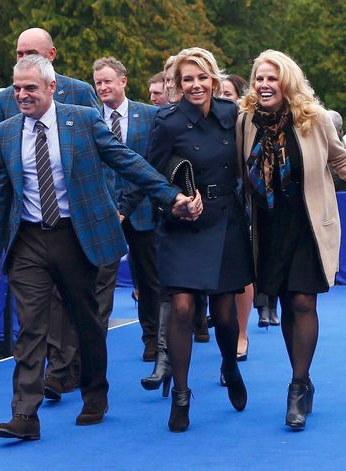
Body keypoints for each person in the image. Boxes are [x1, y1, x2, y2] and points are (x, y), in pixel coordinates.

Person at [0, 55, 199, 440]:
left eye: (30, 87)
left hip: (77, 235)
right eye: (17, 88)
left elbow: (126, 161)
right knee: (31, 327)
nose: (22, 95)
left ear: (51, 87)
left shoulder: (81, 120)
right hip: (29, 239)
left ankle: (95, 395)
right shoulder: (5, 133)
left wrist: (171, 196)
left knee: (87, 321)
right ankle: (25, 415)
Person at [237, 49, 346, 430]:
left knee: (302, 299)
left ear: (288, 82)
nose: (264, 85)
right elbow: (234, 164)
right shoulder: (245, 120)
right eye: (259, 78)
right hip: (267, 226)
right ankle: (303, 376)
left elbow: (341, 159)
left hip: (307, 223)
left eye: (272, 78)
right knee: (284, 299)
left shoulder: (315, 119)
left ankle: (296, 386)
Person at [127, 47, 253, 432]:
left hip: (226, 221)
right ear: (177, 85)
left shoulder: (234, 116)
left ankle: (229, 366)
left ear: (213, 79)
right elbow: (153, 174)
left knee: (226, 313)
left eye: (201, 77)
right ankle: (181, 394)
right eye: (187, 79)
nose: (195, 85)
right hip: (182, 225)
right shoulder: (166, 122)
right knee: (181, 308)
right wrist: (175, 203)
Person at [0, 27, 106, 401]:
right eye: (18, 52)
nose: (21, 58)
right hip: (29, 231)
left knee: (76, 309)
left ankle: (76, 375)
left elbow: (103, 159)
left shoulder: (80, 96)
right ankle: (28, 407)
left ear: (51, 56)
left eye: (30, 52)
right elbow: (0, 175)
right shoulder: (10, 100)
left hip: (75, 226)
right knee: (35, 317)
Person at [93, 57, 162, 364]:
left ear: (123, 81)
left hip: (145, 209)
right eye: (98, 83)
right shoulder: (88, 118)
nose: (103, 87)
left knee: (149, 279)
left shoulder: (150, 115)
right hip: (104, 211)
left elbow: (154, 162)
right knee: (99, 280)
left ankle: (153, 339)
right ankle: (93, 347)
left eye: (108, 81)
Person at [219, 73, 255, 361]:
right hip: (209, 203)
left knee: (240, 274)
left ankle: (242, 332)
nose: (221, 98)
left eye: (228, 94)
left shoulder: (246, 125)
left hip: (241, 199)